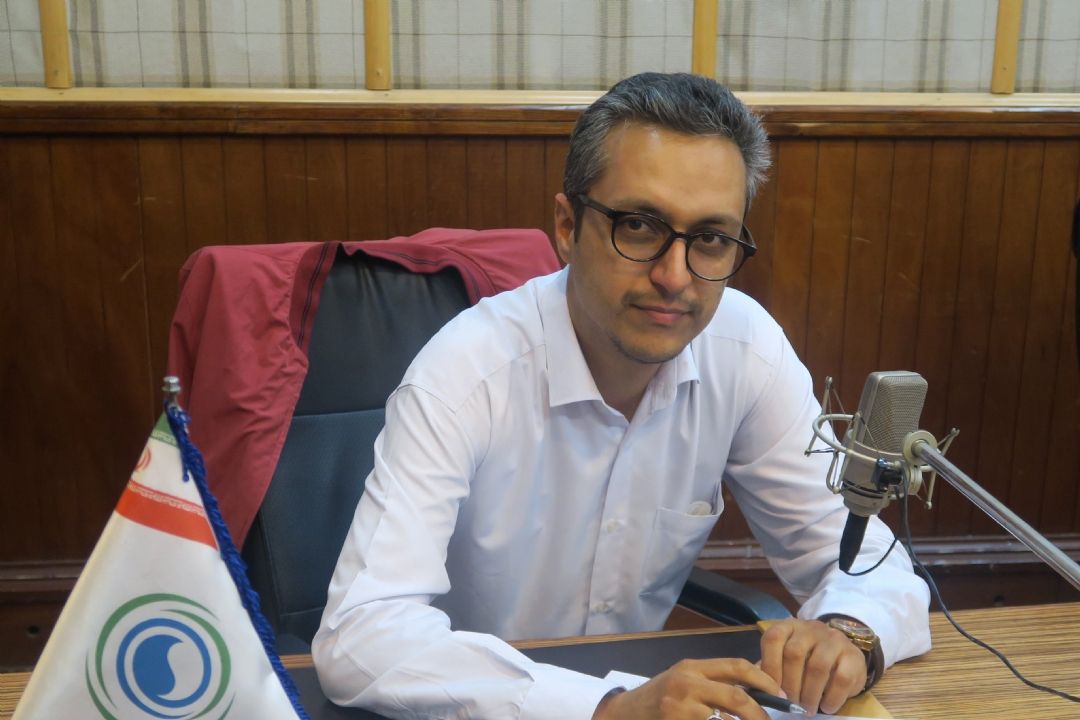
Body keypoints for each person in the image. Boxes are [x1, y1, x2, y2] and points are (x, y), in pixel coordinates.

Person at [313, 72, 930, 720]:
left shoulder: (744, 350)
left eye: (710, 240)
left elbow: (866, 562)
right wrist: (604, 708)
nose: (674, 277)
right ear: (567, 226)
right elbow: (361, 636)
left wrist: (849, 634)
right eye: (638, 226)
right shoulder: (466, 373)